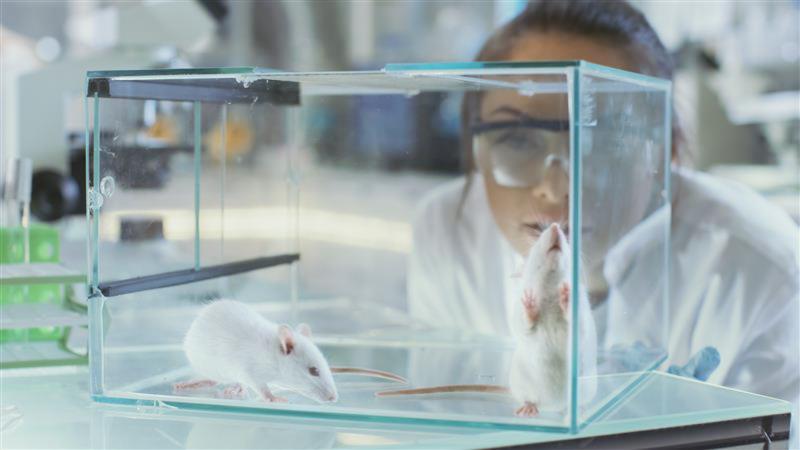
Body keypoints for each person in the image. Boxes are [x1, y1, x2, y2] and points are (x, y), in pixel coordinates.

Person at [407, 0, 799, 421]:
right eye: (516, 139)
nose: (556, 188)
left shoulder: (761, 269)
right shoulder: (448, 230)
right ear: (476, 149)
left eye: (602, 139)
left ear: (663, 150)